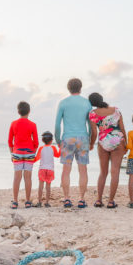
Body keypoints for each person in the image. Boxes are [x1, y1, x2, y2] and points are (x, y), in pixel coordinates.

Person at [54, 78, 93, 209]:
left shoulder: (63, 103)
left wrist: (58, 140)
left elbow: (57, 124)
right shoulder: (87, 103)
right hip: (82, 138)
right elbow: (90, 125)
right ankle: (82, 199)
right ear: (80, 88)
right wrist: (91, 140)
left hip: (68, 138)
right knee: (83, 170)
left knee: (66, 170)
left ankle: (66, 199)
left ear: (68, 88)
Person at [87, 92, 127, 208]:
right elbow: (122, 128)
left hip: (103, 141)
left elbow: (94, 132)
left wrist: (91, 144)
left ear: (92, 103)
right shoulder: (116, 110)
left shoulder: (93, 113)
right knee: (115, 173)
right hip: (117, 140)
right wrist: (126, 144)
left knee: (103, 173)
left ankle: (99, 200)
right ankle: (110, 201)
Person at [7, 100, 39, 208]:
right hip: (29, 152)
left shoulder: (13, 124)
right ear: (29, 111)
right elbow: (36, 142)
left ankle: (15, 201)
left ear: (18, 111)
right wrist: (33, 153)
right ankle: (27, 201)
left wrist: (12, 154)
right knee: (28, 178)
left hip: (17, 152)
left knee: (17, 177)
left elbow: (10, 141)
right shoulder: (33, 125)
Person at [36, 131, 60, 207]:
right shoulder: (53, 147)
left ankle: (39, 202)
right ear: (51, 140)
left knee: (40, 186)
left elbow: (36, 158)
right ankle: (47, 202)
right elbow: (57, 155)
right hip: (50, 170)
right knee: (48, 186)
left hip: (42, 169)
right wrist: (60, 148)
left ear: (42, 140)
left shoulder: (41, 148)